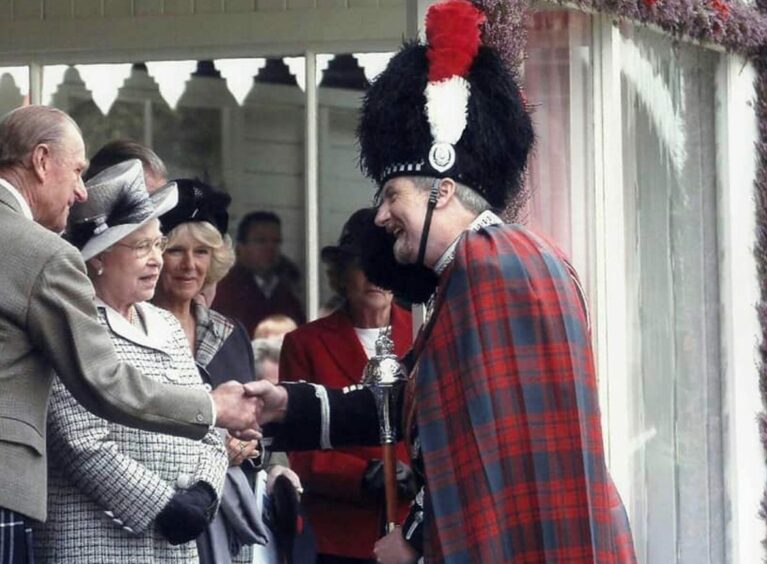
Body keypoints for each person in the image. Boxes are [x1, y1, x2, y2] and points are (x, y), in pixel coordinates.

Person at [250, 1, 636, 562]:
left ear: (443, 191)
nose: (380, 217)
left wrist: (413, 540)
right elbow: (423, 404)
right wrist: (287, 405)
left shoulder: (487, 268)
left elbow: (481, 444)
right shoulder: (505, 256)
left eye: (391, 196)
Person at [0, 106, 261, 563]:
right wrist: (211, 409)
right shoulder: (40, 250)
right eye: (76, 170)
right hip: (24, 502)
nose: (79, 190)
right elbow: (99, 386)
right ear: (40, 161)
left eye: (159, 243)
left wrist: (200, 489)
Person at [35, 160, 228, 562]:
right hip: (96, 541)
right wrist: (164, 506)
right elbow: (80, 442)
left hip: (173, 548)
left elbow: (208, 423)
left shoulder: (165, 324)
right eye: (142, 246)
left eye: (158, 244)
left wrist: (204, 492)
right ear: (99, 257)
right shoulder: (72, 320)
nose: (157, 259)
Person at [154, 178, 302, 564]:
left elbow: (253, 423)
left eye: (202, 251)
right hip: (163, 514)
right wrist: (215, 450)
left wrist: (255, 452)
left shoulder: (229, 333)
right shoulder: (135, 328)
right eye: (176, 251)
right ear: (154, 255)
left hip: (227, 518)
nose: (190, 265)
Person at [279, 208, 415, 564]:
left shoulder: (423, 335)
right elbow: (301, 449)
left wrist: (415, 474)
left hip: (415, 531)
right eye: (363, 264)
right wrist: (361, 476)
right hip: (339, 536)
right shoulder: (304, 343)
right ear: (342, 275)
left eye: (385, 264)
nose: (375, 276)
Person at [214, 211, 306, 332]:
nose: (270, 248)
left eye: (276, 241)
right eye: (261, 241)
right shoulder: (224, 289)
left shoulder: (287, 286)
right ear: (241, 248)